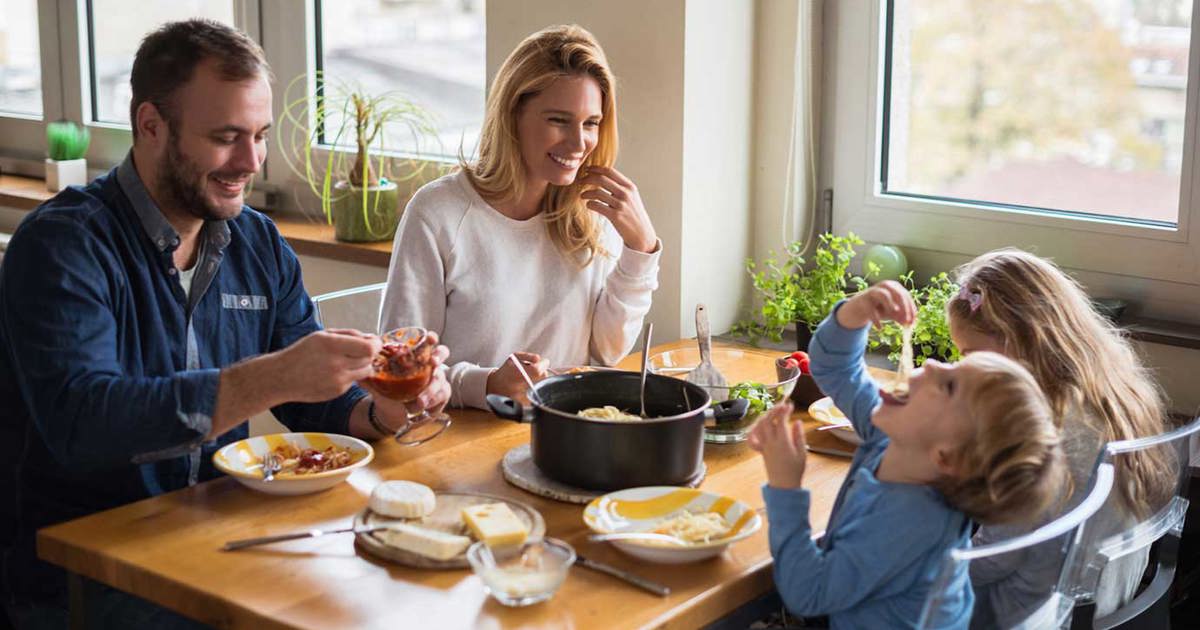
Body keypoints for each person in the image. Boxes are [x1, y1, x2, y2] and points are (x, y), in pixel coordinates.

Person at [0, 19, 449, 628]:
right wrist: (266, 379)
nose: (252, 161)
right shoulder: (64, 245)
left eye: (260, 135)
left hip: (215, 545)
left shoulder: (256, 242)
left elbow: (312, 403)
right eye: (227, 137)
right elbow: (84, 423)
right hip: (87, 578)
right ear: (151, 126)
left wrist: (381, 411)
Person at [749, 281, 1067, 629]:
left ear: (945, 456)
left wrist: (785, 487)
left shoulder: (910, 521)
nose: (931, 364)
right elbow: (836, 370)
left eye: (948, 385)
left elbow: (807, 594)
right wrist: (854, 313)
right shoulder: (894, 438)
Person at [379, 25, 661, 409]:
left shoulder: (593, 212)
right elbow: (401, 368)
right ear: (514, 114)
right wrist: (486, 383)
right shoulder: (438, 213)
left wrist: (640, 249)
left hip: (565, 431)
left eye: (591, 123)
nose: (579, 144)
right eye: (559, 120)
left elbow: (608, 350)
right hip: (460, 436)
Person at [948, 248, 1175, 628]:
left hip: (1024, 617)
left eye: (972, 355)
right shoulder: (1111, 396)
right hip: (1098, 606)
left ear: (1021, 344)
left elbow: (989, 561)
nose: (966, 368)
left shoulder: (1039, 434)